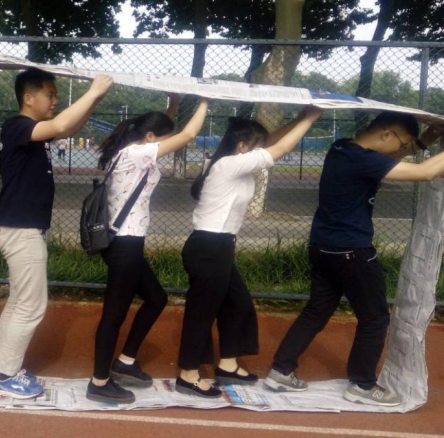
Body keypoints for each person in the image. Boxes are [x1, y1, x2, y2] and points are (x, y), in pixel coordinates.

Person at [265, 112, 444, 407]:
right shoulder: (363, 159)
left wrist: (425, 140)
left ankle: (281, 370)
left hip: (323, 246)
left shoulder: (342, 148)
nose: (403, 149)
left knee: (316, 311)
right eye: (402, 143)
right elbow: (424, 172)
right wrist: (426, 148)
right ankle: (362, 384)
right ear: (386, 134)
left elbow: (394, 158)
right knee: (375, 318)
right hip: (352, 251)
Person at [0, 68, 113, 399]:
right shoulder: (17, 125)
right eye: (50, 95)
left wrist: (95, 99)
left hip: (24, 229)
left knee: (20, 302)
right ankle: (5, 374)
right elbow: (58, 125)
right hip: (21, 230)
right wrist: (92, 91)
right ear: (29, 98)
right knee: (31, 306)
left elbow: (68, 127)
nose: (55, 101)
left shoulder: (34, 133)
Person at [176, 107, 322, 398]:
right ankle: (187, 374)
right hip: (208, 247)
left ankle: (228, 364)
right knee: (201, 313)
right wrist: (311, 118)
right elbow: (280, 148)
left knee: (237, 304)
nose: (262, 151)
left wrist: (299, 116)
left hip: (219, 247)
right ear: (242, 146)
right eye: (257, 146)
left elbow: (271, 142)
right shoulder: (228, 164)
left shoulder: (235, 162)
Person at [87, 94, 209, 404]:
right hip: (124, 244)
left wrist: (173, 105)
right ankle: (99, 382)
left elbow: (165, 131)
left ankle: (125, 361)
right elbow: (187, 135)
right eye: (162, 138)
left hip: (125, 242)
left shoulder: (133, 150)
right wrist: (205, 101)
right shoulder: (137, 153)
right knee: (113, 315)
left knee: (156, 298)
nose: (166, 145)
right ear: (150, 137)